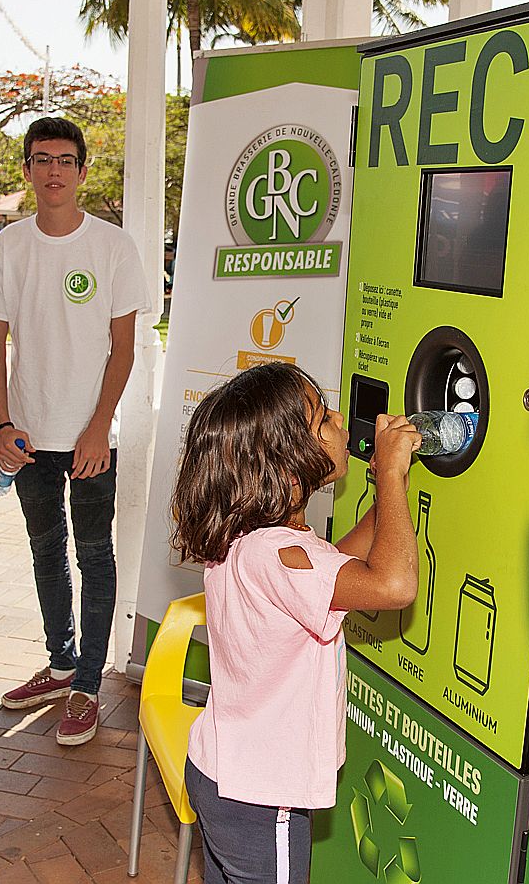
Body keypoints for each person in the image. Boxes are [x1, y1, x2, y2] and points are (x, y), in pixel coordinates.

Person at [170, 362, 421, 884]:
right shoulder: (284, 554)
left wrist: (383, 487)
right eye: (323, 419)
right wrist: (394, 478)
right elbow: (393, 586)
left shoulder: (248, 539)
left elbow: (341, 566)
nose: (339, 421)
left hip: (222, 776)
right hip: (265, 799)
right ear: (287, 468)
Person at [0, 116, 148, 746]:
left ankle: (87, 688)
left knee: (94, 555)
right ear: (26, 169)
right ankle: (60, 663)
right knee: (47, 552)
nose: (54, 171)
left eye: (65, 160)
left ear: (81, 169)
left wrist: (99, 428)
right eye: (42, 159)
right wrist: (1, 423)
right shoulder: (10, 246)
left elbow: (124, 348)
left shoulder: (111, 247)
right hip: (28, 436)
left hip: (92, 438)